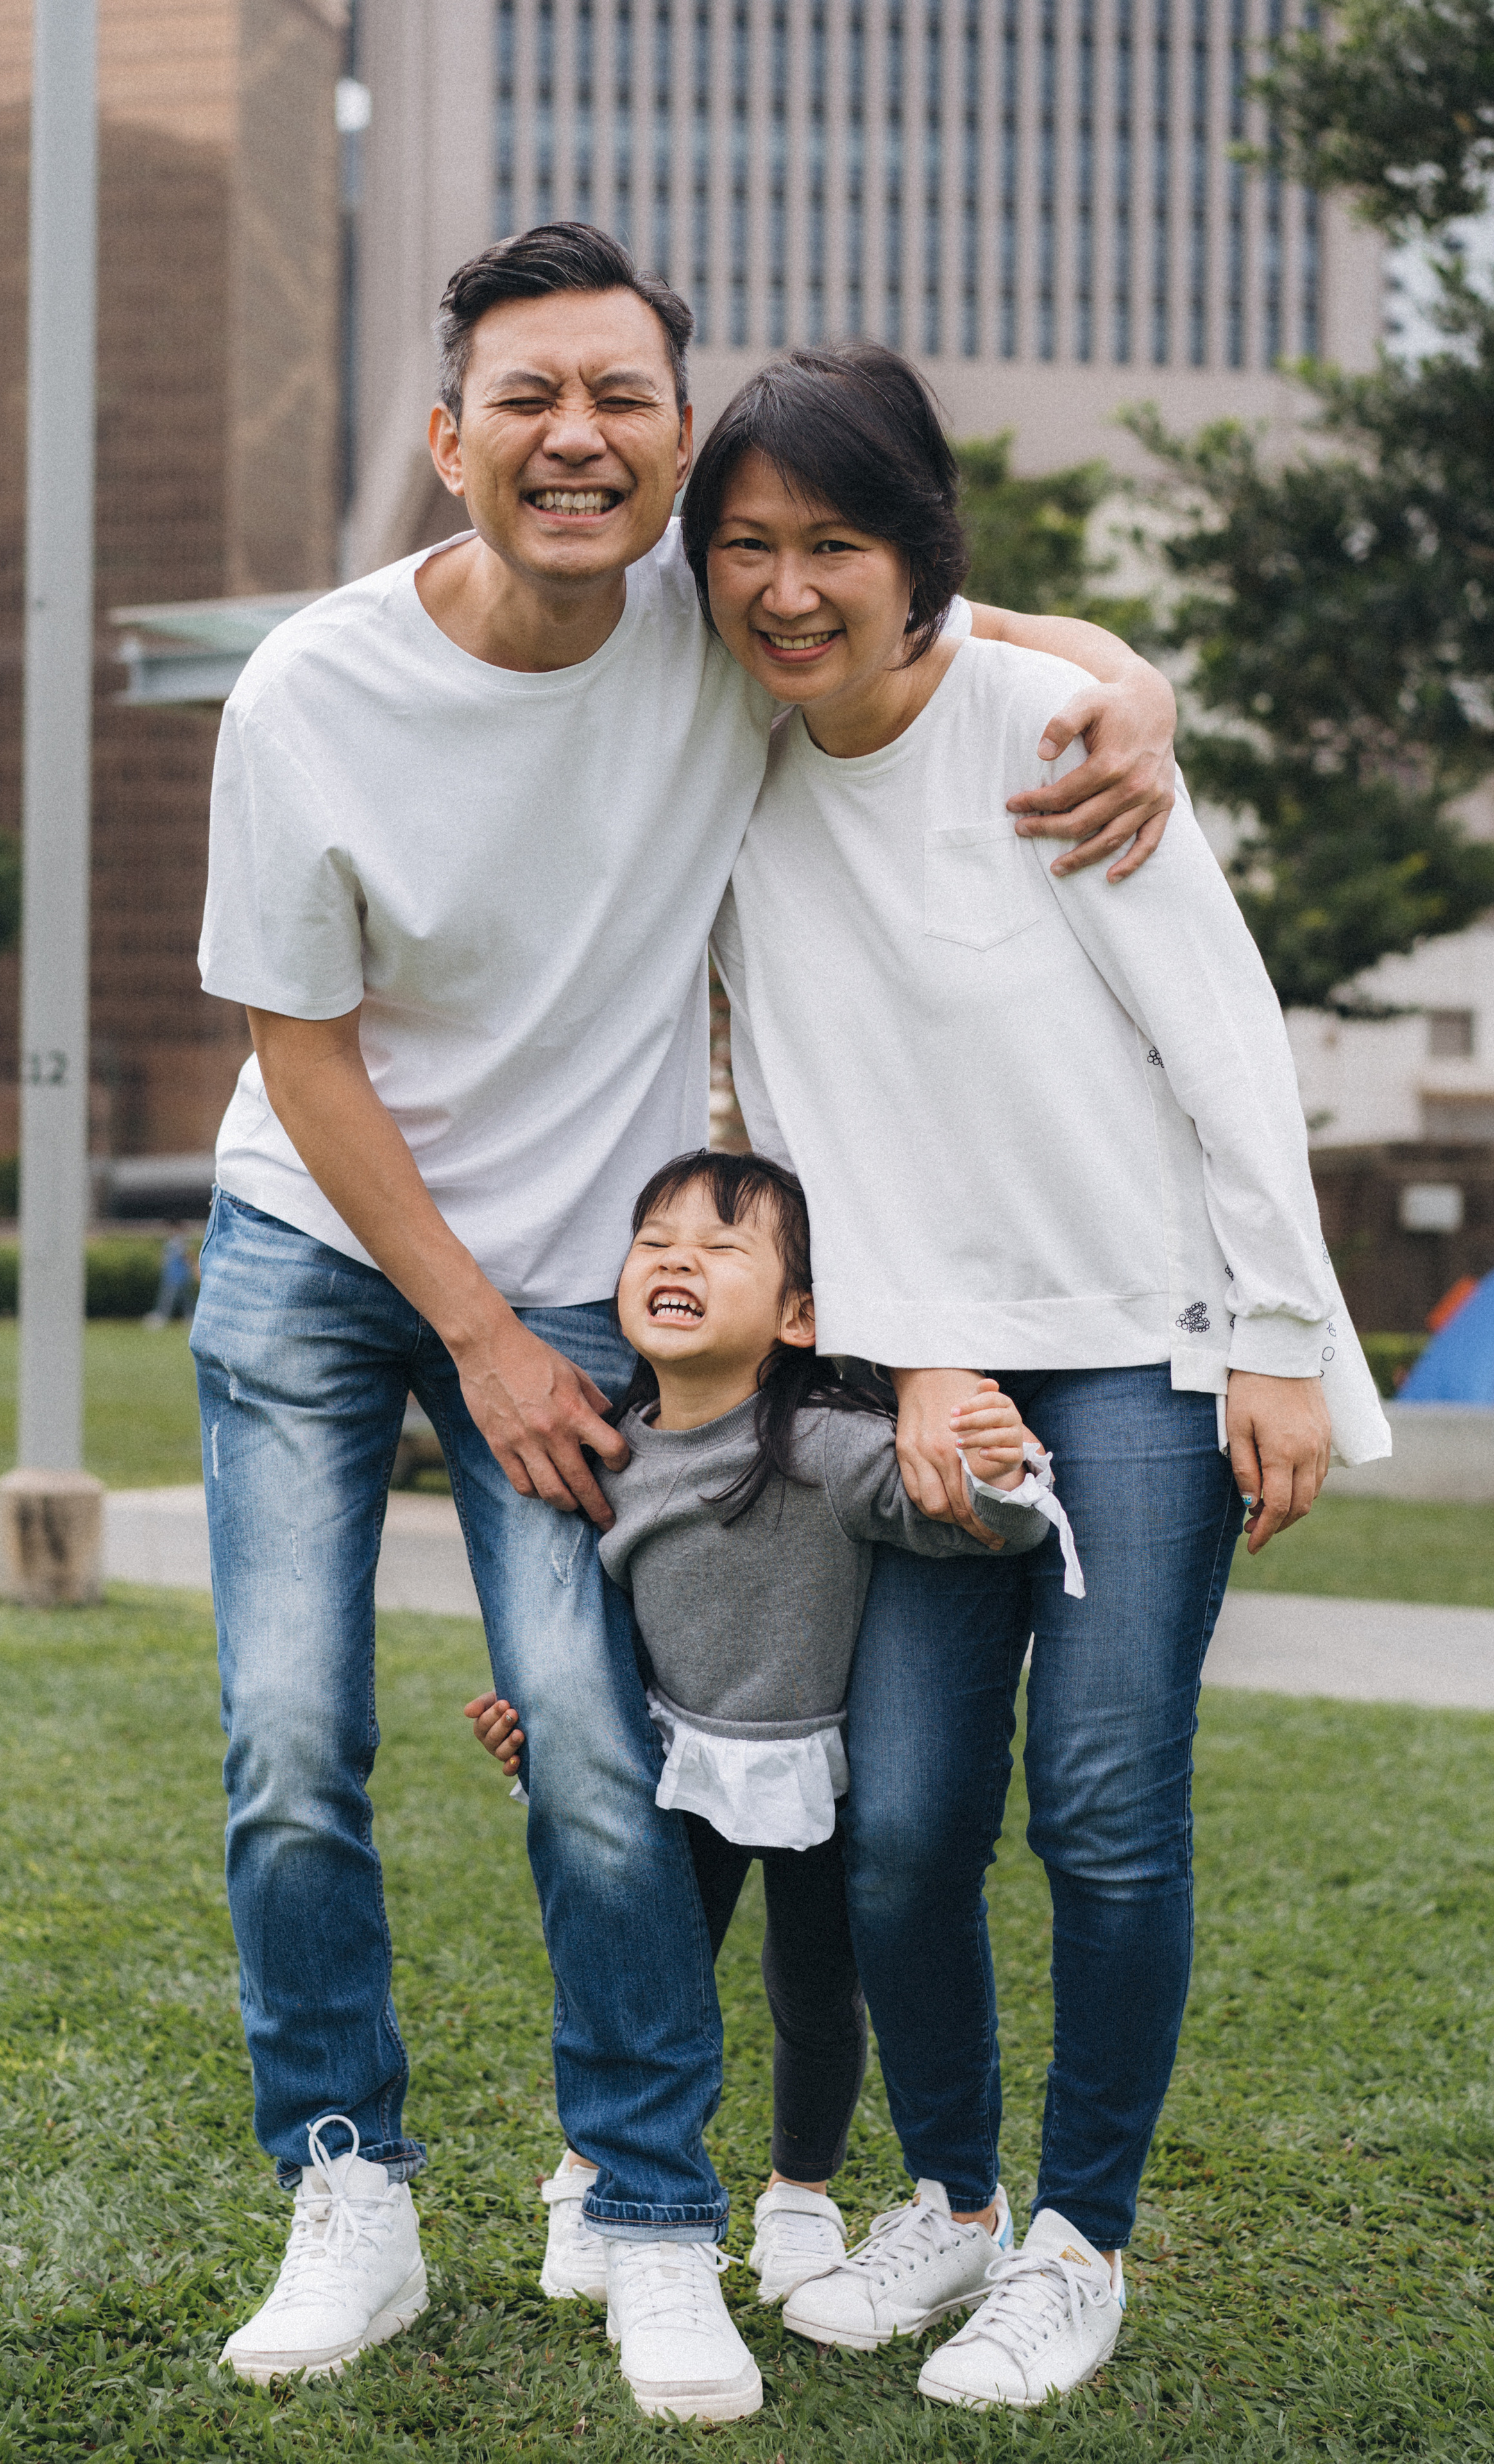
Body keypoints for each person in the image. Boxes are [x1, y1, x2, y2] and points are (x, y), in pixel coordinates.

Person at [191, 221, 1187, 2413]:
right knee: (291, 1746)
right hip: (329, 1253)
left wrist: (1133, 667)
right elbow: (302, 1047)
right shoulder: (313, 694)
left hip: (570, 1283)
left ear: (668, 438)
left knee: (602, 1756)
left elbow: (915, 612)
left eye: (621, 397)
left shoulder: (709, 627)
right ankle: (347, 2188)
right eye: (528, 398)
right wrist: (474, 1337)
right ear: (448, 439)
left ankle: (648, 2214)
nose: (578, 438)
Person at [679, 341, 1391, 2411]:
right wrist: (908, 1360)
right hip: (934, 1368)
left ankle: (1082, 2240)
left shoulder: (1055, 734)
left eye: (837, 542)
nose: (790, 586)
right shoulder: (740, 763)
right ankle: (959, 2207)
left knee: (1101, 1810)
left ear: (923, 557)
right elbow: (814, 1113)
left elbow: (1225, 1043)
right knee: (899, 1826)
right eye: (749, 547)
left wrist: (1270, 1333)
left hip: (1151, 1359)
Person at [464, 1148, 1078, 2366]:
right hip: (670, 1771)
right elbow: (589, 1636)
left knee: (815, 1991)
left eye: (722, 1246)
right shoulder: (607, 1451)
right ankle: (594, 2172)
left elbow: (956, 1526)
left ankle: (801, 2195)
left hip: (815, 1773)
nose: (679, 1259)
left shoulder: (829, 1444)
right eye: (656, 1240)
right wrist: (540, 1727)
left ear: (799, 1315)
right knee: (638, 1970)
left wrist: (1003, 1477)